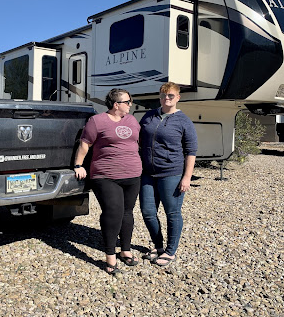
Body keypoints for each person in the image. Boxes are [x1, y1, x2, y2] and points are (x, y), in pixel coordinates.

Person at [74, 88, 142, 274]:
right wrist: (78, 165)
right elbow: (85, 144)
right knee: (113, 211)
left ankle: (125, 251)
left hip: (133, 174)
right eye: (127, 101)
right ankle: (110, 256)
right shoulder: (97, 121)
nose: (130, 104)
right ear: (116, 104)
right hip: (106, 175)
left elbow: (137, 142)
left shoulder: (131, 120)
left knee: (127, 212)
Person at [139, 82, 198, 267]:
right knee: (148, 212)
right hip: (147, 173)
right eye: (164, 95)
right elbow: (137, 138)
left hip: (171, 173)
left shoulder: (183, 121)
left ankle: (171, 251)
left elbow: (191, 151)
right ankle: (158, 246)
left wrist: (187, 177)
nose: (167, 98)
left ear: (178, 97)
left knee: (172, 213)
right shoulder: (149, 116)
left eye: (171, 95)